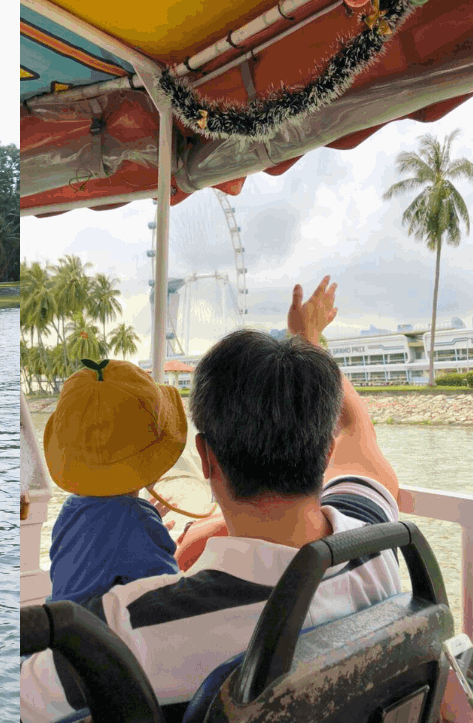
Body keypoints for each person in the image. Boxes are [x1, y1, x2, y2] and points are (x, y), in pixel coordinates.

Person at [20, 276, 404, 720]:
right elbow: (359, 433)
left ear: (206, 459)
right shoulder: (379, 545)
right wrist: (308, 341)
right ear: (327, 451)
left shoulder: (130, 628)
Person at [42, 359, 182, 605]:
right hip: (97, 640)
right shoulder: (136, 521)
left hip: (62, 632)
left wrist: (148, 530)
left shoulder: (71, 509)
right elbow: (171, 598)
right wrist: (152, 534)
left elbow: (103, 544)